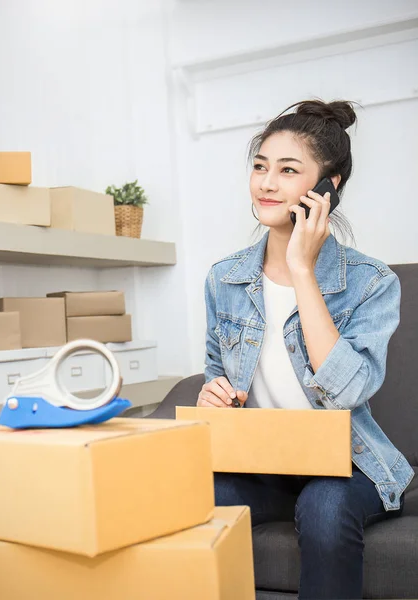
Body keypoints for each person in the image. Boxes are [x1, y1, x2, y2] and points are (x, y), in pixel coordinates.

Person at [197, 99, 414, 600]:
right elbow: (216, 368)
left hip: (347, 465)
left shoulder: (371, 282)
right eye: (259, 167)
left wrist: (302, 270)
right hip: (261, 462)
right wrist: (215, 391)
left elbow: (348, 392)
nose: (266, 183)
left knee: (325, 506)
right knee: (194, 494)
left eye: (288, 170)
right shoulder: (223, 278)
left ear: (327, 187)